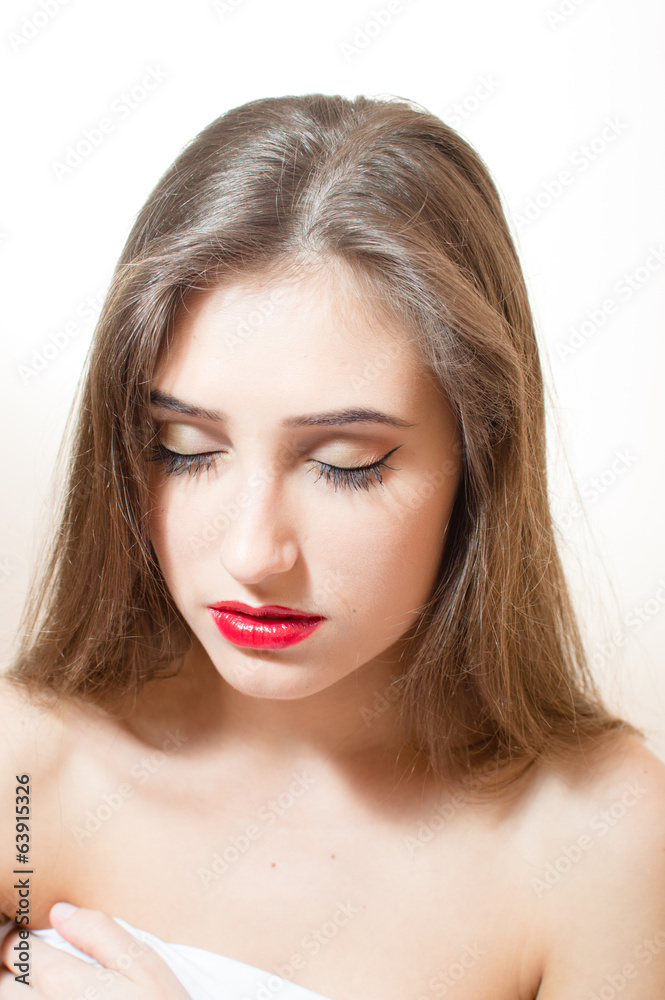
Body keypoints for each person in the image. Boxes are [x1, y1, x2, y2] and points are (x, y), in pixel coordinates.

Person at [1, 93, 663, 999]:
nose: (252, 553)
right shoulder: (25, 766)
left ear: (479, 458)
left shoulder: (601, 837)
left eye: (345, 464)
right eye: (184, 449)